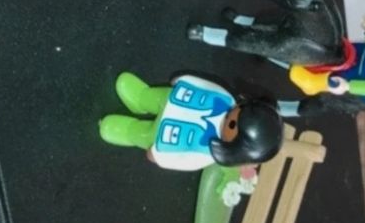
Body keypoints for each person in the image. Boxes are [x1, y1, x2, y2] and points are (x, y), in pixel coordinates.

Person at [99, 72, 283, 171]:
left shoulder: (205, 153)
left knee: (141, 133)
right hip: (172, 98)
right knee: (151, 97)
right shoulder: (225, 99)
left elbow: (185, 161)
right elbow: (207, 86)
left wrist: (159, 157)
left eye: (233, 125)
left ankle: (128, 131)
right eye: (242, 109)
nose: (233, 115)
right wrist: (185, 79)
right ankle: (141, 98)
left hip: (162, 136)